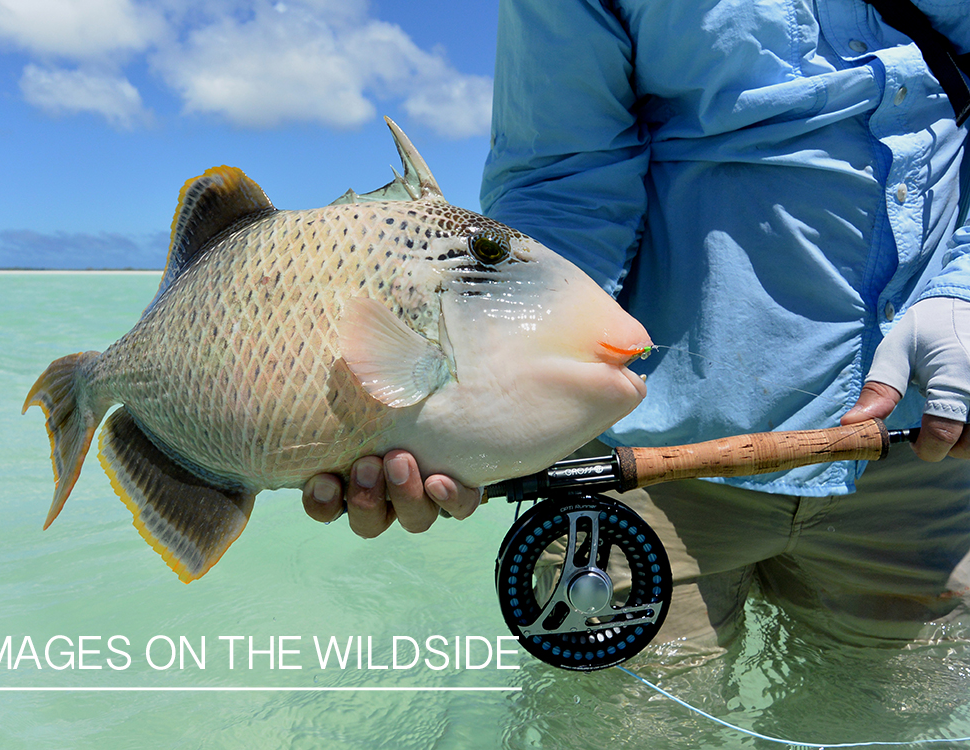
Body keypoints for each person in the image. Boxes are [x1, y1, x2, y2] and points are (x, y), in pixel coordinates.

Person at [304, 0, 970, 648]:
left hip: (927, 440)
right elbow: (565, 179)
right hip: (642, 456)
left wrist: (962, 295)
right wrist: (466, 404)